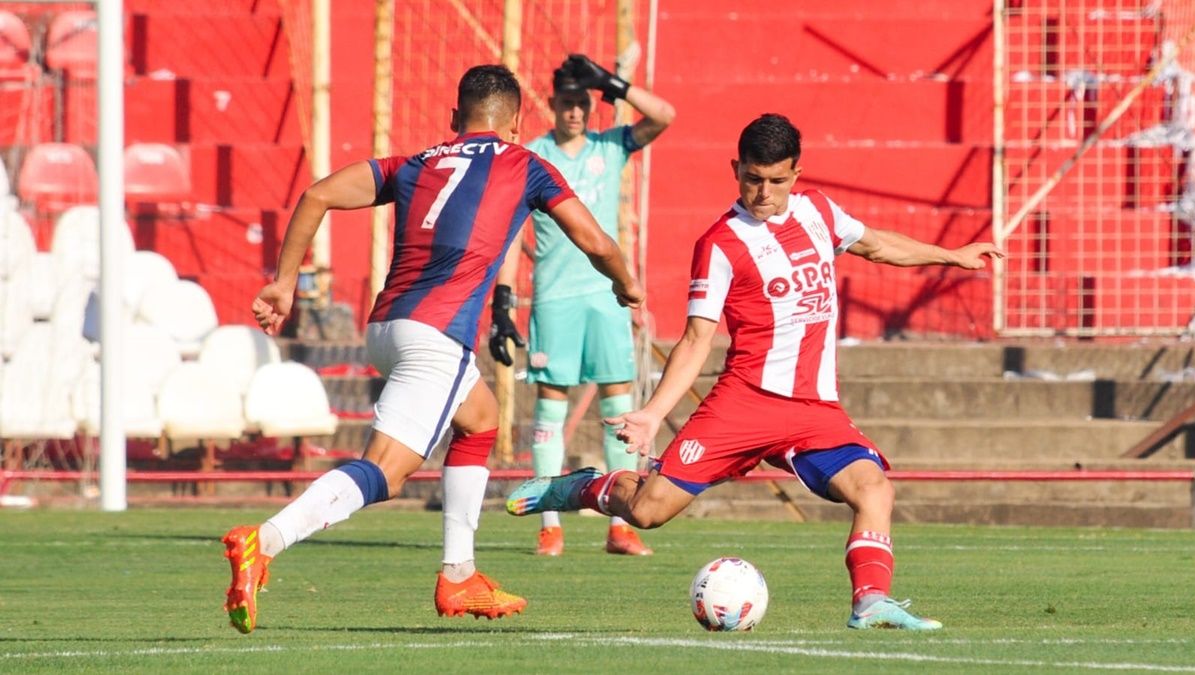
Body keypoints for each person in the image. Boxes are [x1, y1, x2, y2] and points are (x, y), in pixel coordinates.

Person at [506, 113, 1003, 630]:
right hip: (743, 404)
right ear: (735, 169)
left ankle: (870, 601)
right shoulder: (720, 243)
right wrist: (654, 414)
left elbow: (876, 244)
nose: (764, 192)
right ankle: (582, 487)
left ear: (797, 174)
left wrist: (952, 256)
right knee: (649, 512)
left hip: (814, 412)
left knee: (874, 488)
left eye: (777, 180)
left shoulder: (821, 214)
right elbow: (697, 337)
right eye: (753, 178)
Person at [221, 64, 644, 634]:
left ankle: (460, 573)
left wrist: (284, 281)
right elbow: (595, 240)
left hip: (387, 327)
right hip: (435, 339)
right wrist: (626, 283)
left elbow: (318, 194)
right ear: (517, 123)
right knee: (385, 474)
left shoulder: (416, 163)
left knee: (480, 418)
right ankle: (264, 540)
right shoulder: (526, 165)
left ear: (454, 119)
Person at [491, 54, 675, 557]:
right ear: (551, 104)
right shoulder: (530, 156)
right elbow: (511, 235)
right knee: (550, 404)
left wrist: (615, 85)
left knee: (619, 408)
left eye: (583, 103)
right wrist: (503, 301)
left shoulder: (610, 146)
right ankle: (549, 523)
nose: (575, 112)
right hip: (554, 300)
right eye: (567, 103)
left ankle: (620, 524)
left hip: (606, 297)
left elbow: (664, 115)